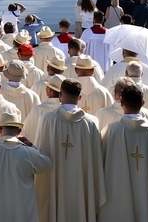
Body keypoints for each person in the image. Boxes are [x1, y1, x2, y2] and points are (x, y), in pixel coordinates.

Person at [35, 79, 106, 222]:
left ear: (60, 95)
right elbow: (96, 160)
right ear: (80, 97)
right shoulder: (91, 122)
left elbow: (39, 155)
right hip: (81, 185)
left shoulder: (47, 119)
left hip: (54, 183)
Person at [98, 84, 148, 221]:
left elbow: (100, 163)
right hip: (147, 195)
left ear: (121, 103)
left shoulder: (111, 130)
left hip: (117, 195)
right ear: (143, 103)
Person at [0, 111, 52, 222]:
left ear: (0, 130)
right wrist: (31, 145)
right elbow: (47, 163)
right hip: (21, 213)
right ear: (19, 131)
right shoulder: (28, 152)